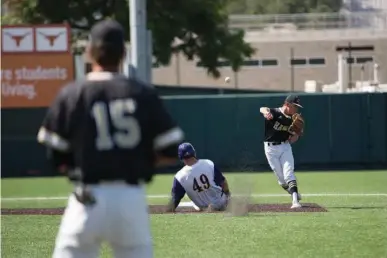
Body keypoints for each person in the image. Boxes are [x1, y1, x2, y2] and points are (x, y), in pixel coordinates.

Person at [37, 19, 184, 258]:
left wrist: (80, 165)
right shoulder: (142, 93)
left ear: (89, 51)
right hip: (130, 198)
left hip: (86, 197)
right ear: (124, 53)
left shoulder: (72, 94)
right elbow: (170, 150)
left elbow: (55, 154)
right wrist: (138, 162)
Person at [259, 95, 303, 209]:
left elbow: (294, 137)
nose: (296, 109)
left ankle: (295, 201)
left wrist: (295, 136)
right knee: (282, 180)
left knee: (289, 173)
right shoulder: (275, 112)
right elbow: (262, 108)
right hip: (270, 149)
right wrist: (265, 113)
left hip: (285, 147)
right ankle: (294, 192)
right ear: (287, 104)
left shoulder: (293, 118)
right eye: (295, 106)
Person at [167, 142, 231, 212]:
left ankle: (209, 208)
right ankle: (217, 205)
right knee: (223, 199)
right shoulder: (208, 163)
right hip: (222, 203)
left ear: (181, 157)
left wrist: (169, 210)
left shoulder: (179, 177)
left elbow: (174, 200)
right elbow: (223, 182)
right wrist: (228, 195)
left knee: (198, 206)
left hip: (204, 209)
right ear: (194, 153)